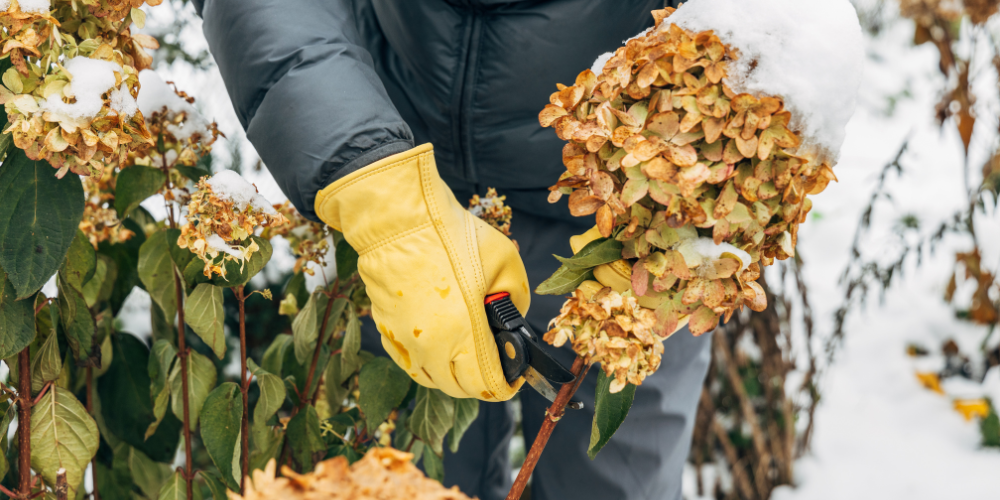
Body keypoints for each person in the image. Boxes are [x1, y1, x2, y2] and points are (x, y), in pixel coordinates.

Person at [191, 1, 711, 498]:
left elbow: (755, 36)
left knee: (614, 481)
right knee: (408, 473)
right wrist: (379, 195)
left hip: (623, 213)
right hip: (404, 166)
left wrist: (689, 208)